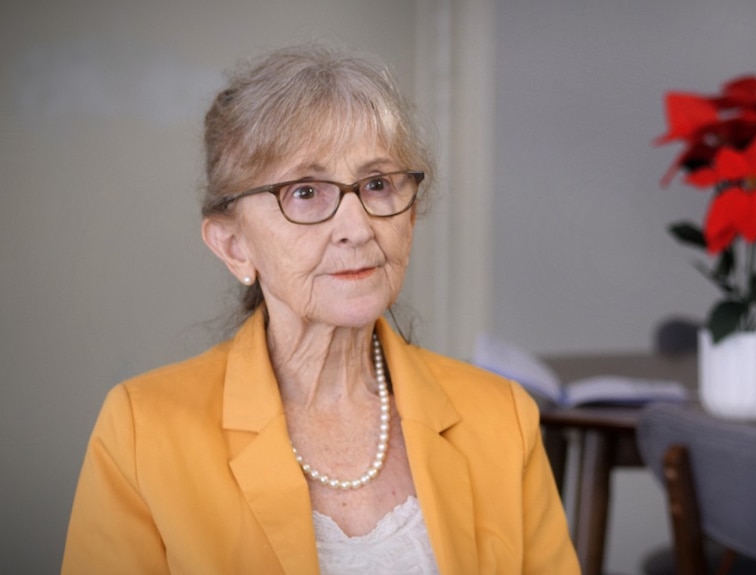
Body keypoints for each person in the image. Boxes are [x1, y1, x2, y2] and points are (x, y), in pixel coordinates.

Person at [61, 44, 579, 575]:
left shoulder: (502, 418)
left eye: (377, 185)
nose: (357, 228)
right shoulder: (145, 429)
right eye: (305, 192)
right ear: (234, 245)